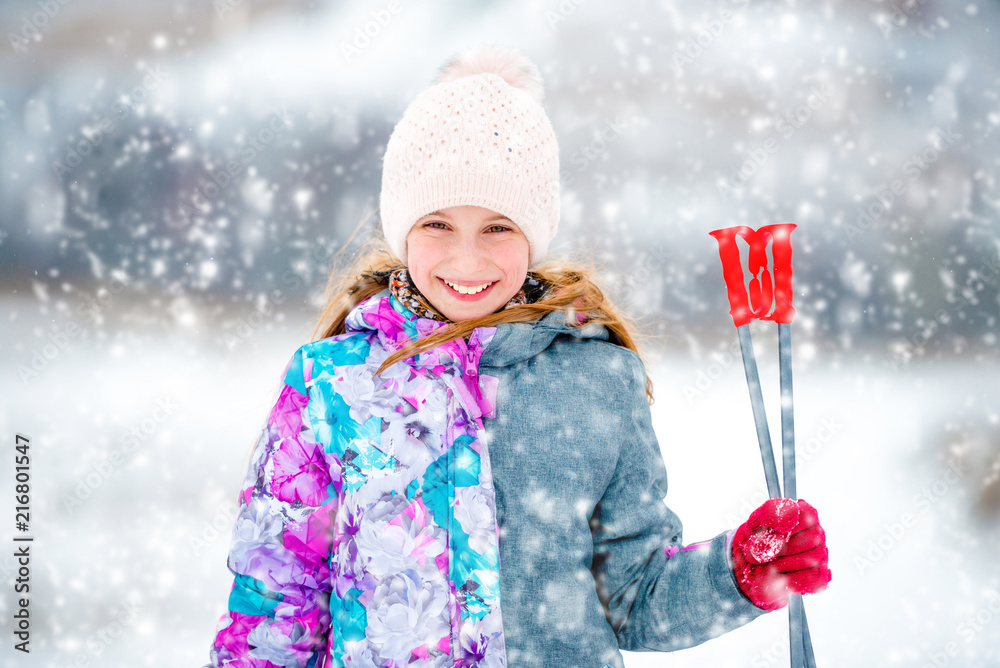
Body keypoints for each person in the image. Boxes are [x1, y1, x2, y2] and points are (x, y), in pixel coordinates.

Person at [203, 43, 830, 668]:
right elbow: (275, 608)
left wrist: (740, 574)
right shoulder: (331, 384)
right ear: (401, 228)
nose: (468, 259)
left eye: (498, 227)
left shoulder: (597, 378)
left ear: (534, 231)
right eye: (438, 224)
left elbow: (634, 601)